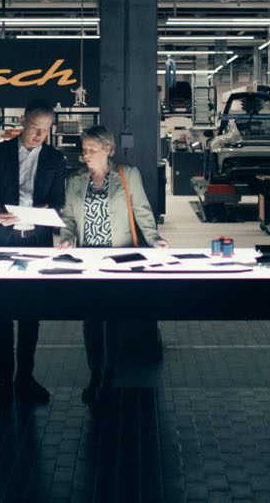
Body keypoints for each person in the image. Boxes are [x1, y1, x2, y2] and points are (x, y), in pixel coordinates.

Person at [57, 125, 165, 403]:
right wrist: (67, 239)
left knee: (114, 317)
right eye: (84, 150)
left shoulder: (126, 175)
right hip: (86, 258)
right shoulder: (75, 180)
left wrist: (155, 240)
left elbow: (142, 211)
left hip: (119, 257)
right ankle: (95, 372)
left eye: (92, 149)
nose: (86, 155)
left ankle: (111, 372)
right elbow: (68, 219)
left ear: (108, 149)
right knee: (90, 319)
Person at [0, 98, 68, 408]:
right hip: (3, 240)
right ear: (23, 121)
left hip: (36, 242)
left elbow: (59, 199)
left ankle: (25, 378)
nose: (40, 135)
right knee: (1, 315)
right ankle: (3, 382)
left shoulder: (55, 159)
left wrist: (49, 209)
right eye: (35, 128)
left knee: (31, 314)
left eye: (45, 130)